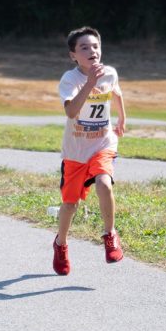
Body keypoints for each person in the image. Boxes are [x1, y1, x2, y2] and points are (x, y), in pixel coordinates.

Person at [54, 26, 127, 276]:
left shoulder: (110, 73)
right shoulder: (70, 79)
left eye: (95, 46)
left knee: (104, 184)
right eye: (84, 47)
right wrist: (90, 83)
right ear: (73, 55)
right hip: (75, 150)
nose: (92, 51)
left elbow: (116, 93)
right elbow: (71, 112)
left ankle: (110, 234)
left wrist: (122, 119)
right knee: (70, 205)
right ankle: (61, 243)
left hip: (102, 144)